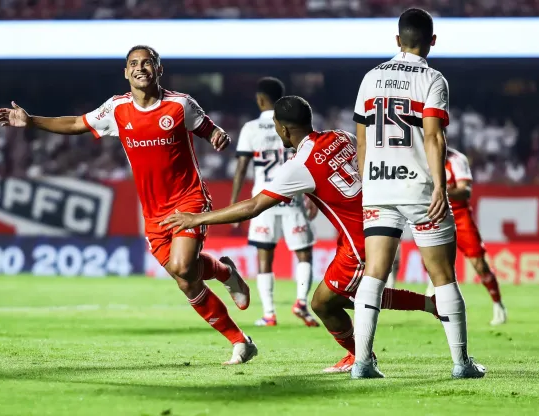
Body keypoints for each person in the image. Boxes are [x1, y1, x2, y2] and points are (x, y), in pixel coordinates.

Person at [0, 45, 257, 365]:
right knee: (185, 279)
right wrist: (31, 121)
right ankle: (232, 305)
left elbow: (208, 129)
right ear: (125, 72)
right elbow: (77, 124)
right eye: (133, 64)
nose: (140, 68)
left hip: (188, 199)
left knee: (182, 267)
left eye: (147, 63)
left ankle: (237, 333)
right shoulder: (116, 110)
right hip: (153, 212)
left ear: (159, 69)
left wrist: (217, 135)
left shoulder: (180, 105)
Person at [162, 96, 441, 375]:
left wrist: (196, 218)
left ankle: (364, 354)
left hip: (361, 239)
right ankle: (417, 313)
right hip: (371, 226)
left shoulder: (300, 165)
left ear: (283, 129)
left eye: (276, 126)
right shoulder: (340, 136)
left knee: (324, 302)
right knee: (341, 297)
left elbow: (253, 207)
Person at [351, 8, 485, 379]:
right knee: (443, 274)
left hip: (377, 186)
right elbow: (432, 135)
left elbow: (362, 139)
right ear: (432, 41)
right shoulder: (432, 79)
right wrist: (441, 185)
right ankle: (461, 364)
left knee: (374, 274)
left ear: (397, 40)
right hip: (419, 188)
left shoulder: (370, 77)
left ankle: (362, 362)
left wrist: (368, 183)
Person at [231, 77, 319, 327]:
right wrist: (313, 195)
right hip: (293, 196)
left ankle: (269, 314)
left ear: (260, 99)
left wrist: (236, 202)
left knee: (264, 256)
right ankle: (301, 302)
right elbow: (308, 160)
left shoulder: (250, 128)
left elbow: (241, 168)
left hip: (263, 199)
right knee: (304, 254)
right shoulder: (292, 123)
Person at [424, 147, 507, 325]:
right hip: (435, 215)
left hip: (460, 216)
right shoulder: (422, 157)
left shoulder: (456, 159)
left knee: (479, 264)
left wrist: (440, 192)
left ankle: (498, 304)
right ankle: (435, 291)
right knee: (432, 258)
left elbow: (465, 191)